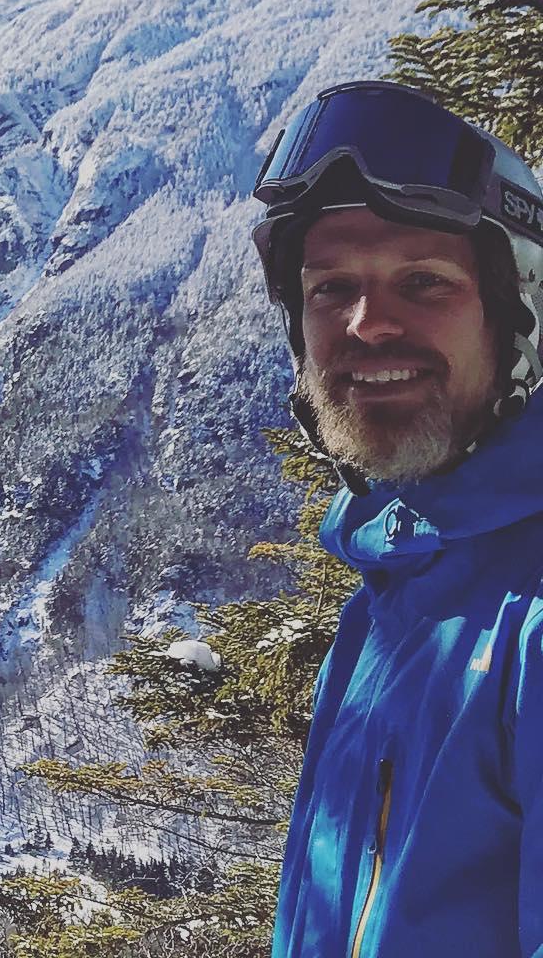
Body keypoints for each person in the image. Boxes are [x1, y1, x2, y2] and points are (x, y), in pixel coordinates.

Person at [251, 80, 543, 956]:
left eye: (424, 281)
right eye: (331, 287)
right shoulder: (401, 585)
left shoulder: (524, 620)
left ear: (518, 318)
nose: (368, 324)